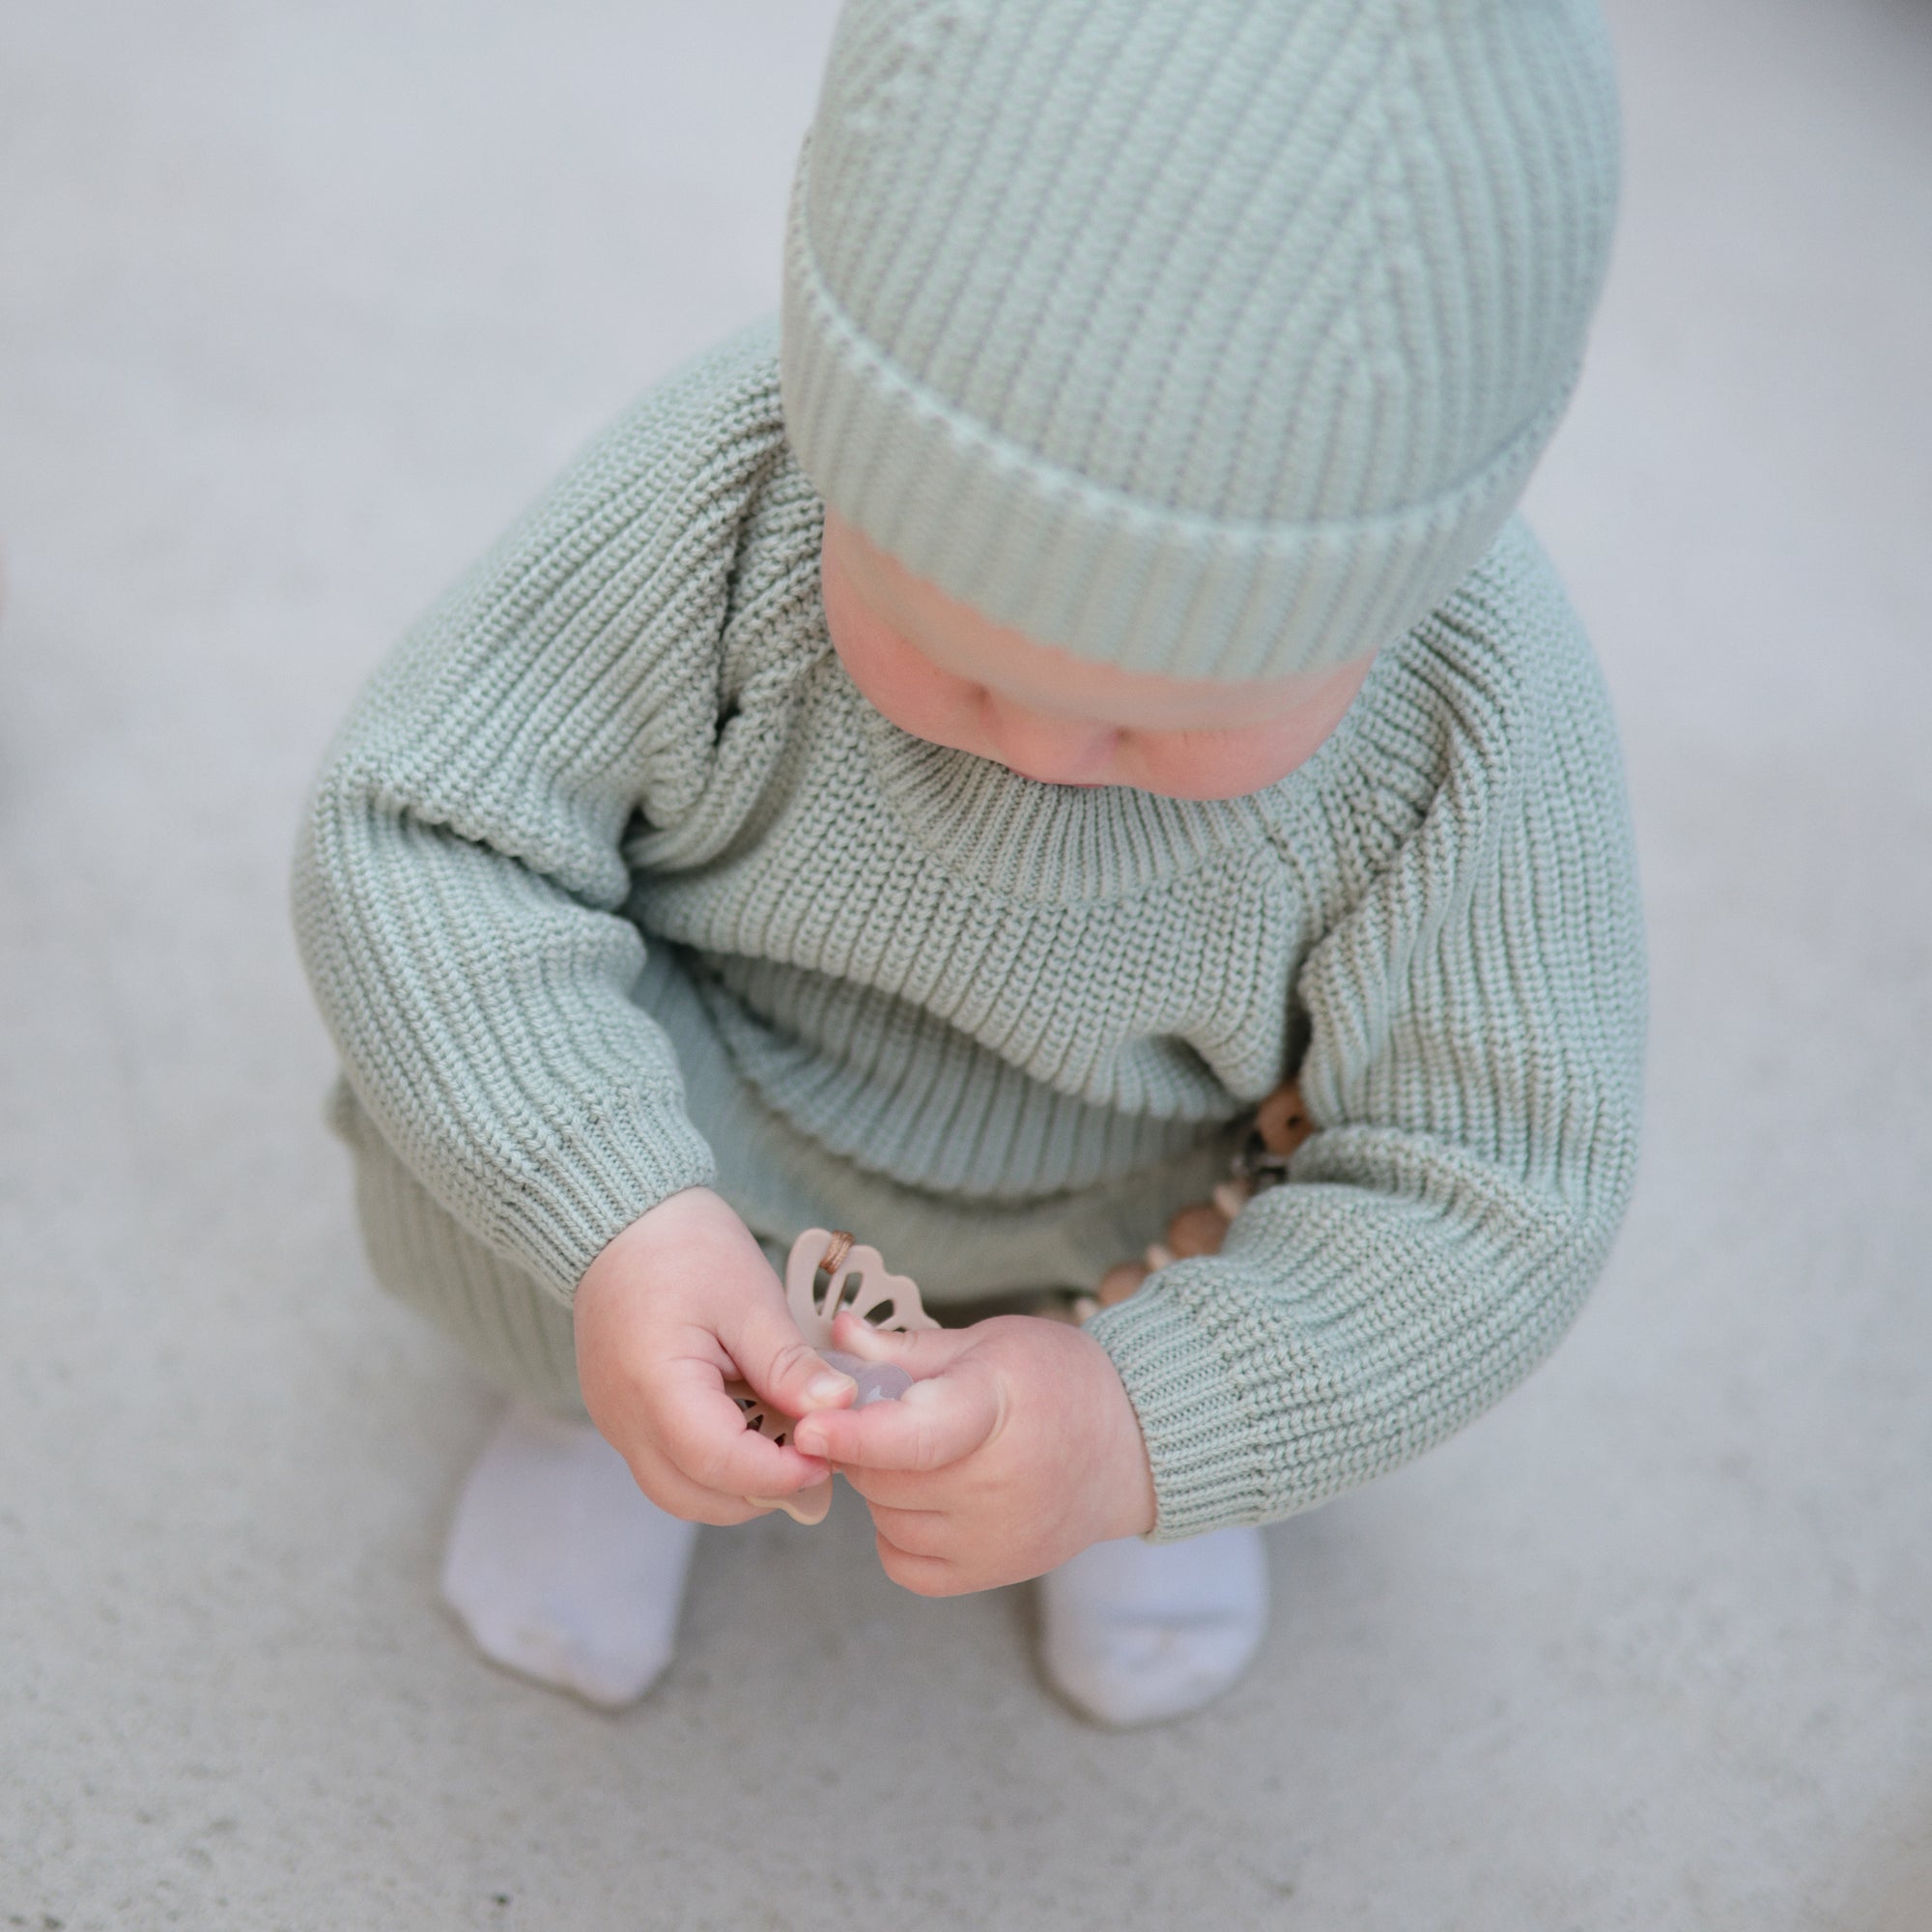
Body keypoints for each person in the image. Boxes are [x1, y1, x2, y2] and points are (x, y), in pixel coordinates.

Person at [292, 0, 1641, 1728]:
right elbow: (422, 827)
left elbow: (1498, 1185)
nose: (1049, 747)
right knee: (466, 1135)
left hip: (1144, 1221)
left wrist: (1150, 1422)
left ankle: (1132, 1460)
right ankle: (587, 1398)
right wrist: (612, 1208)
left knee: (1320, 1339)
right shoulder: (734, 494)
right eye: (957, 644)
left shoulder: (1473, 715)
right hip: (702, 1117)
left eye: (1178, 716)